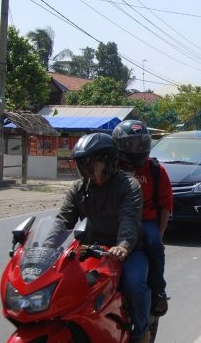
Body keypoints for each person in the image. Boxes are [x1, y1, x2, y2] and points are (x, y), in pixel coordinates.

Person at [50, 133, 151, 343]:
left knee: (134, 283)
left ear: (107, 161)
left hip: (125, 250)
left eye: (89, 162)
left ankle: (140, 331)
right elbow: (63, 221)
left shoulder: (128, 186)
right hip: (89, 249)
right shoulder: (79, 188)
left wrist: (123, 246)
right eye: (81, 162)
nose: (85, 168)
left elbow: (129, 220)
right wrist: (45, 246)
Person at [112, 120, 173, 318]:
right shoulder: (111, 169)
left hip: (145, 221)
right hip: (114, 221)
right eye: (131, 144)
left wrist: (160, 234)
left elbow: (165, 205)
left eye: (141, 143)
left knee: (153, 242)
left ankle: (158, 289)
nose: (137, 149)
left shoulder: (156, 170)